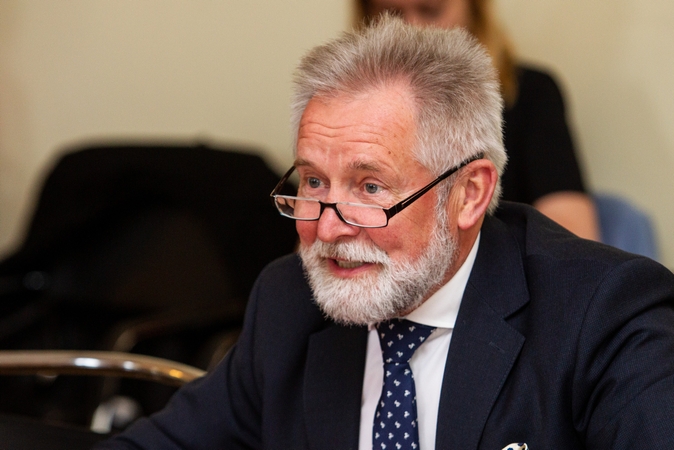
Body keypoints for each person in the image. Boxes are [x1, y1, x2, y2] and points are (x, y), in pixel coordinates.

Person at [95, 15, 674, 449]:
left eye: (370, 187)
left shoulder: (602, 313)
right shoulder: (289, 301)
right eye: (314, 182)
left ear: (469, 193)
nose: (326, 227)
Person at [355, 0, 600, 241]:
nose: (411, 28)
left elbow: (572, 237)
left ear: (475, 8)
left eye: (431, 11)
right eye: (391, 14)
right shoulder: (351, 109)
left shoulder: (531, 94)